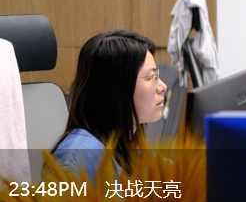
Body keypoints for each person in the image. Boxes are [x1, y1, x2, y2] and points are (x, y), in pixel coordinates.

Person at [50, 30, 167, 178]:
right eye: (151, 77)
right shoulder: (77, 161)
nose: (163, 87)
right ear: (117, 88)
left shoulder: (127, 142)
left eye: (157, 75)